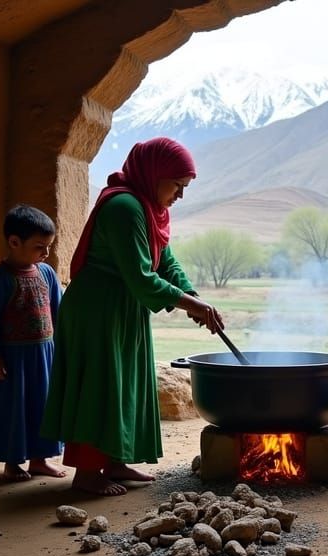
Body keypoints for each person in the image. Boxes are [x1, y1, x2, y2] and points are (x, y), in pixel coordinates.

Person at [41, 137, 225, 496]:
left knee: (123, 386)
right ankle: (87, 476)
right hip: (98, 309)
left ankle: (114, 462)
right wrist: (190, 305)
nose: (180, 196)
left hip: (123, 308)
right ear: (154, 173)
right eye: (177, 186)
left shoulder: (149, 207)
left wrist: (196, 298)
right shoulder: (124, 207)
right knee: (101, 387)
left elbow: (165, 262)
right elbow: (141, 276)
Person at [0, 204, 67, 481]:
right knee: (14, 410)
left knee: (43, 407)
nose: (46, 254)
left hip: (44, 356)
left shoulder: (47, 274)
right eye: (40, 247)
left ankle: (40, 460)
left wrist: (63, 347)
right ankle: (12, 463)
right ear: (15, 242)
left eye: (49, 247)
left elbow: (57, 311)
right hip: (14, 361)